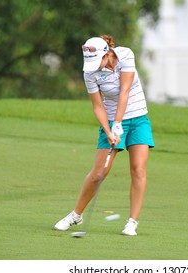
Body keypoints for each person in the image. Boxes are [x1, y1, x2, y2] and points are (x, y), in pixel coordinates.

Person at [54, 35, 155, 236]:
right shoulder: (89, 72)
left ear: (107, 54)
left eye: (97, 61)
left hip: (137, 118)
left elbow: (125, 91)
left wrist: (119, 123)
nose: (95, 66)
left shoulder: (125, 55)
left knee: (138, 169)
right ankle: (76, 214)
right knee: (99, 172)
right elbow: (97, 106)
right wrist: (109, 130)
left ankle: (132, 222)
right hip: (109, 120)